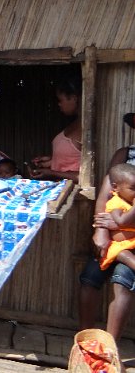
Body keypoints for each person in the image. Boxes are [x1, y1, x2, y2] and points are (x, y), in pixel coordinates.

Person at [79, 113, 135, 339]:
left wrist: (123, 221)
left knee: (123, 280)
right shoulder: (124, 154)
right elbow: (106, 190)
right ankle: (84, 342)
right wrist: (101, 230)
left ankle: (111, 348)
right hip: (112, 235)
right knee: (89, 277)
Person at [29, 75, 82, 183]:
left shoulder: (85, 130)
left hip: (72, 193)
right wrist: (50, 161)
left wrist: (52, 173)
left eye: (60, 100)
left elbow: (84, 176)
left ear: (73, 98)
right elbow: (73, 159)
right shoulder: (76, 124)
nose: (59, 104)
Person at [98, 164, 135, 271]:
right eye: (132, 188)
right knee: (125, 256)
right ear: (115, 187)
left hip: (131, 242)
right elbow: (122, 221)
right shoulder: (116, 203)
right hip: (119, 246)